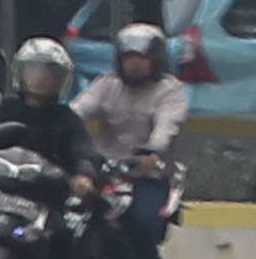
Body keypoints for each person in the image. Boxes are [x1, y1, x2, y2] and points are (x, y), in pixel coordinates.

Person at [71, 18, 190, 160]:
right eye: (128, 58)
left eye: (142, 58)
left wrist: (154, 150)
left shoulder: (170, 90)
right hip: (105, 165)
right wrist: (61, 125)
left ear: (157, 60)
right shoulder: (107, 84)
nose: (134, 64)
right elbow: (80, 108)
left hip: (151, 167)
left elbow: (166, 126)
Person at [0, 36, 87, 172]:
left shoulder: (66, 119)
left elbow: (83, 149)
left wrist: (85, 173)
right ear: (20, 72)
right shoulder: (4, 108)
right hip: (0, 179)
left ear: (60, 78)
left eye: (49, 73)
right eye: (33, 69)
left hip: (49, 184)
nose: (40, 77)